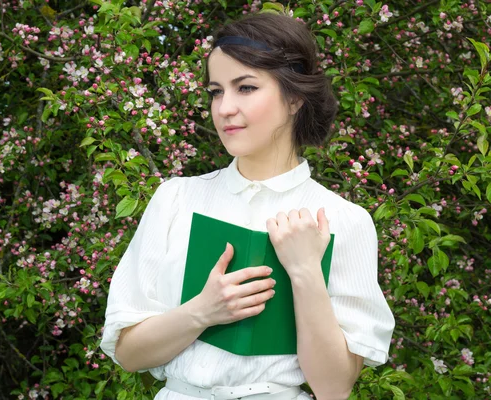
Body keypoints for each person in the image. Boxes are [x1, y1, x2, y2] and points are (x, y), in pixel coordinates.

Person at [100, 12, 395, 400]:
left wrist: (306, 270)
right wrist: (202, 311)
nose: (224, 109)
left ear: (294, 98)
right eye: (216, 91)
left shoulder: (343, 221)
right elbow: (128, 352)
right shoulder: (176, 199)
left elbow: (333, 388)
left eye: (246, 88)